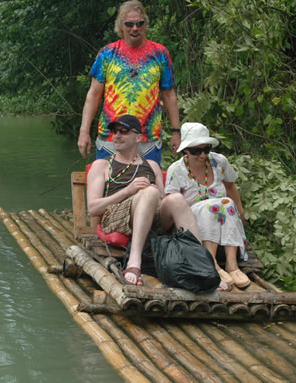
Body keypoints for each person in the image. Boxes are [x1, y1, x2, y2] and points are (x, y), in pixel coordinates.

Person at [86, 114, 213, 287]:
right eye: (115, 131)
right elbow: (93, 208)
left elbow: (162, 200)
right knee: (150, 192)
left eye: (123, 131)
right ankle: (134, 262)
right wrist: (128, 191)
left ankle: (203, 264)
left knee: (175, 198)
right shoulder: (102, 165)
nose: (117, 135)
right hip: (116, 216)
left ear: (138, 137)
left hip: (151, 216)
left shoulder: (151, 165)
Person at [77, 0, 182, 164]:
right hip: (111, 138)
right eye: (129, 24)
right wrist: (84, 131)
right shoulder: (107, 54)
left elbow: (169, 95)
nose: (135, 28)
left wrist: (176, 132)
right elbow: (94, 94)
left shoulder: (160, 53)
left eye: (140, 23)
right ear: (120, 26)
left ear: (146, 25)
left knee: (149, 189)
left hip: (147, 138)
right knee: (108, 188)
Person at [165, 122, 250, 290]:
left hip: (223, 219)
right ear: (186, 150)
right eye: (196, 150)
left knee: (225, 202)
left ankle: (232, 265)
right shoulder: (176, 171)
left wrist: (241, 212)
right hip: (192, 225)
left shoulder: (219, 162)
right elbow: (171, 205)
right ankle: (211, 263)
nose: (203, 155)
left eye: (206, 149)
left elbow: (231, 186)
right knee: (209, 206)